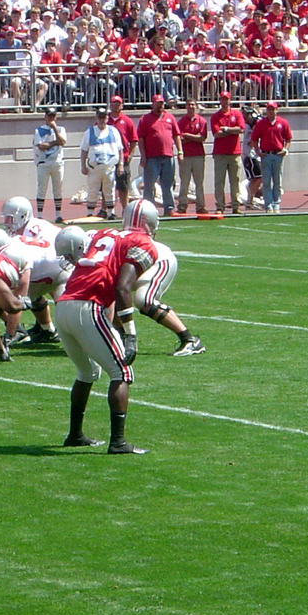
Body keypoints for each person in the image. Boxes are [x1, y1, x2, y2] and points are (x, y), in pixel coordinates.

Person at [52, 220, 158, 454]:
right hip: (87, 307)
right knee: (121, 371)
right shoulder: (143, 244)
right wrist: (130, 334)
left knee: (87, 373)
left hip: (62, 307)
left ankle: (75, 434)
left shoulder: (102, 235)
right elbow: (122, 288)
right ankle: (118, 442)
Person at [122, 200, 204, 355]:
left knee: (145, 300)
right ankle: (118, 339)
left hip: (159, 261)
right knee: (108, 296)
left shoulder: (154, 249)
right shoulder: (118, 239)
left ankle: (190, 340)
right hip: (136, 264)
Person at [137, 95, 183, 216]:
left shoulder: (170, 117)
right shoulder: (145, 119)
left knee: (168, 184)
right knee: (149, 185)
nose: (160, 105)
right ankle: (148, 210)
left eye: (162, 103)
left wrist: (180, 151)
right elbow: (140, 139)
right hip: (152, 157)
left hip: (168, 156)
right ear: (153, 104)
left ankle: (169, 208)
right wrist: (143, 155)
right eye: (158, 103)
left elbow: (176, 135)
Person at [80, 107, 123, 219]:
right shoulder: (89, 132)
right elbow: (84, 150)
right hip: (94, 168)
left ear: (107, 118)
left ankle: (110, 212)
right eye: (100, 117)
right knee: (93, 190)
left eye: (104, 117)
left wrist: (121, 164)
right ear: (96, 118)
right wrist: (83, 166)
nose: (102, 120)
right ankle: (90, 213)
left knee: (109, 189)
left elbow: (120, 149)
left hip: (109, 167)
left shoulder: (113, 131)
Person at [250, 102, 292, 213]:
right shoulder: (261, 123)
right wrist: (258, 152)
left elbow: (288, 138)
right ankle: (268, 205)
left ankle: (276, 204)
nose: (271, 111)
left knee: (277, 181)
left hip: (277, 154)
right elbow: (254, 139)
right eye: (269, 109)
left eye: (273, 109)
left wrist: (285, 149)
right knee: (266, 181)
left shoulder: (283, 123)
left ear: (276, 110)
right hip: (266, 155)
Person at [210, 92, 245, 214]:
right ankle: (220, 206)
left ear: (230, 100)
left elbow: (240, 129)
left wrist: (226, 129)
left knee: (235, 180)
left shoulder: (237, 114)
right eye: (222, 99)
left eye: (227, 99)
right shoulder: (215, 116)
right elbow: (216, 133)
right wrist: (231, 131)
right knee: (219, 181)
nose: (225, 101)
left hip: (234, 152)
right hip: (220, 153)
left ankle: (236, 205)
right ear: (220, 100)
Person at [33, 106, 67, 222]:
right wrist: (54, 143)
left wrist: (55, 130)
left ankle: (58, 214)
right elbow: (41, 146)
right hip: (43, 162)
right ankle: (40, 215)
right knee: (41, 188)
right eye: (49, 116)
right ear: (45, 117)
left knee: (58, 188)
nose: (51, 118)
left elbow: (62, 142)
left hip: (57, 162)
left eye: (53, 116)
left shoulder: (61, 129)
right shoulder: (39, 130)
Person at [176, 99, 209, 214]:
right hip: (185, 155)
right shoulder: (181, 122)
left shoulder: (201, 121)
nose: (191, 107)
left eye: (193, 105)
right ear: (186, 107)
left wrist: (188, 136)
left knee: (199, 183)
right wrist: (193, 138)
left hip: (198, 155)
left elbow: (202, 138)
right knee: (184, 182)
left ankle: (200, 206)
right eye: (189, 105)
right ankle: (182, 205)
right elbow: (180, 139)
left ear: (196, 106)